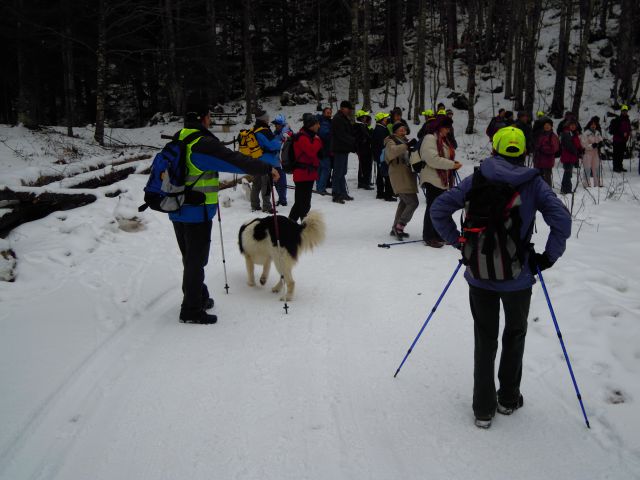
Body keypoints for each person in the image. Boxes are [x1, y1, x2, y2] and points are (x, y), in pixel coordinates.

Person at [430, 126, 572, 428]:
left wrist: (459, 242)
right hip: (518, 277)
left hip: (479, 275)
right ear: (524, 152)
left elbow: (439, 209)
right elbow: (562, 221)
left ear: (493, 148)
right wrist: (547, 258)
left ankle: (483, 409)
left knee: (485, 339)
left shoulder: (477, 178)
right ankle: (508, 398)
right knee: (515, 334)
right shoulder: (534, 183)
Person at [171, 101, 279, 324]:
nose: (210, 119)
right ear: (204, 117)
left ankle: (198, 296)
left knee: (190, 257)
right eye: (209, 115)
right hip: (196, 211)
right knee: (195, 260)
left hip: (176, 207)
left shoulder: (179, 137)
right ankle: (190, 309)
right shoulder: (201, 143)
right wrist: (266, 168)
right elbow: (234, 161)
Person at [410, 115, 461, 247]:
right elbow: (431, 159)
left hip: (441, 178)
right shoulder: (430, 138)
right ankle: (429, 236)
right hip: (432, 178)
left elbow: (442, 157)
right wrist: (451, 165)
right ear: (439, 127)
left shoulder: (441, 139)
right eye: (446, 127)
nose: (448, 130)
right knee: (433, 208)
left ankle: (438, 234)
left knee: (439, 208)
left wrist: (452, 163)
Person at [384, 123, 419, 239]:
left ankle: (395, 227)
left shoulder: (404, 141)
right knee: (413, 202)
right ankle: (399, 226)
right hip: (399, 175)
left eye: (404, 128)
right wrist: (407, 146)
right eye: (400, 129)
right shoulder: (390, 140)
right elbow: (391, 152)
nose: (403, 130)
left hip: (406, 175)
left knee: (404, 203)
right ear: (394, 131)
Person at [289, 113, 322, 223]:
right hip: (302, 174)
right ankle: (292, 225)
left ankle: (297, 225)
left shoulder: (308, 136)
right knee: (301, 203)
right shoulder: (302, 137)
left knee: (304, 203)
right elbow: (311, 151)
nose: (319, 126)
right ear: (312, 125)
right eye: (317, 124)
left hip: (307, 174)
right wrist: (318, 140)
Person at [251, 110, 282, 212]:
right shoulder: (265, 131)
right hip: (266, 161)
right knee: (266, 185)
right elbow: (273, 145)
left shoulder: (254, 129)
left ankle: (254, 205)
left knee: (256, 184)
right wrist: (280, 142)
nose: (268, 118)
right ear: (264, 119)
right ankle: (267, 207)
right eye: (267, 117)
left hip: (256, 160)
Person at [331, 100, 356, 204]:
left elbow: (347, 132)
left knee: (342, 172)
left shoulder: (344, 118)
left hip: (344, 149)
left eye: (350, 109)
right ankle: (336, 194)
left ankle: (343, 193)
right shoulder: (338, 119)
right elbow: (341, 135)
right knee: (338, 172)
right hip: (339, 149)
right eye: (348, 109)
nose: (349, 111)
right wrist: (353, 141)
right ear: (342, 108)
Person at [372, 112, 395, 201]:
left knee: (380, 174)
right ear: (381, 120)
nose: (387, 119)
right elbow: (384, 144)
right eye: (385, 118)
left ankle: (380, 193)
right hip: (383, 155)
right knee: (387, 174)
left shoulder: (378, 129)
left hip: (379, 155)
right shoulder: (381, 130)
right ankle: (388, 195)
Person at [533, 117, 559, 187]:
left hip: (547, 162)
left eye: (548, 125)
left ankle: (548, 194)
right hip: (538, 161)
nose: (547, 126)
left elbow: (554, 149)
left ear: (551, 126)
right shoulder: (541, 135)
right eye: (545, 125)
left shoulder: (553, 136)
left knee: (547, 180)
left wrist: (542, 148)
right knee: (538, 179)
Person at [272, 114, 291, 206]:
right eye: (275, 124)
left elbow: (285, 145)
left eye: (277, 124)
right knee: (276, 181)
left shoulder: (286, 133)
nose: (275, 125)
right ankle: (281, 198)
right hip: (274, 160)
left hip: (281, 161)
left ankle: (283, 199)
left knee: (282, 181)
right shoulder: (275, 133)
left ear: (282, 124)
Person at [559, 120, 583, 194]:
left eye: (574, 125)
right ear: (568, 125)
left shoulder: (574, 134)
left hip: (572, 156)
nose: (573, 126)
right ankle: (567, 190)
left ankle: (564, 189)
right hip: (567, 156)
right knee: (568, 173)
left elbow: (577, 144)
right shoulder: (566, 133)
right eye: (571, 125)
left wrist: (581, 149)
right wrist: (577, 151)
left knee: (568, 173)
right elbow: (568, 145)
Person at [581, 117, 604, 187]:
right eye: (592, 124)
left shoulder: (597, 132)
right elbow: (584, 145)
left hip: (596, 153)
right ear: (589, 125)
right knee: (587, 169)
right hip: (587, 153)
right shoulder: (586, 133)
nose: (593, 125)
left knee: (596, 168)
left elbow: (600, 140)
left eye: (594, 124)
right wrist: (592, 145)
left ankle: (597, 184)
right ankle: (586, 184)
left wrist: (601, 144)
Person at [355, 109, 374, 190]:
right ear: (362, 118)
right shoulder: (360, 126)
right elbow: (367, 136)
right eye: (365, 116)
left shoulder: (362, 125)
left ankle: (364, 182)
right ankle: (364, 183)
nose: (366, 117)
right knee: (365, 166)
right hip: (363, 149)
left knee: (364, 165)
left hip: (364, 148)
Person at [316, 107, 333, 195]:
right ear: (323, 113)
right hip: (323, 149)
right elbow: (325, 135)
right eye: (327, 113)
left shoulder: (324, 121)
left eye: (330, 113)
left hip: (321, 148)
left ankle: (319, 186)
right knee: (326, 169)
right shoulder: (324, 122)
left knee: (320, 168)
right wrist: (332, 132)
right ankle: (321, 188)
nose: (329, 114)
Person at [610, 105, 631, 172]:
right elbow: (615, 130)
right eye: (623, 111)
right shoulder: (618, 119)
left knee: (621, 154)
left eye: (626, 111)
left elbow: (628, 128)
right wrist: (622, 134)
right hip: (617, 140)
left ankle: (620, 166)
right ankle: (615, 167)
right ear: (621, 111)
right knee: (616, 154)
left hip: (623, 140)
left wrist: (629, 133)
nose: (625, 112)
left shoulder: (628, 120)